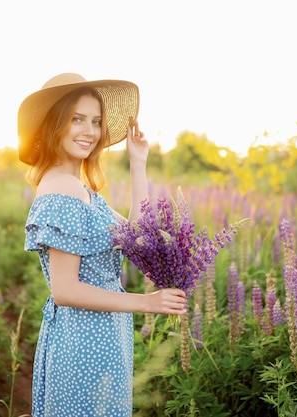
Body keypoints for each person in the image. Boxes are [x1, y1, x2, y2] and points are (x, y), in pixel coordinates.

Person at [18, 73, 187, 417]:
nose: (89, 131)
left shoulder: (80, 188)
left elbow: (137, 236)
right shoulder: (60, 190)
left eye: (95, 121)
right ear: (54, 125)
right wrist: (147, 303)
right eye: (76, 119)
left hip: (106, 333)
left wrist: (138, 163)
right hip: (82, 339)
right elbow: (65, 289)